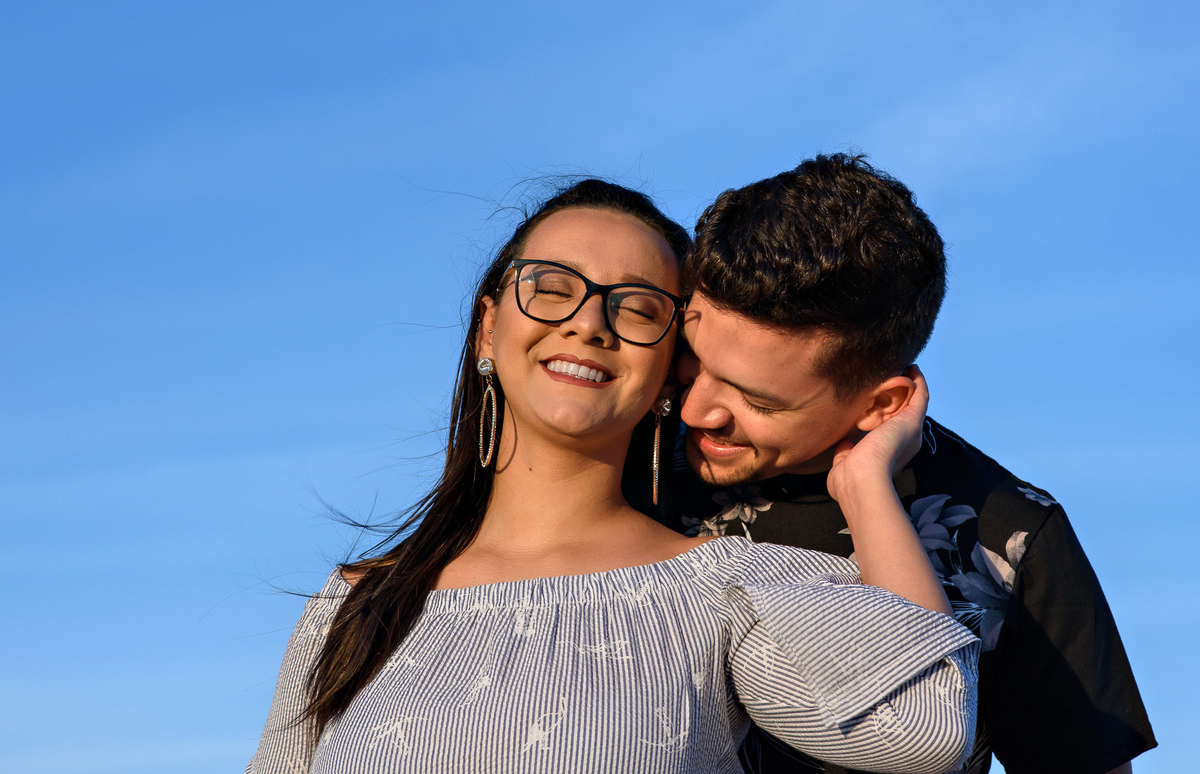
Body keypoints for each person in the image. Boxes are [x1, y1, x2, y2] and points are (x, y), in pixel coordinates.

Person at [246, 179, 979, 773]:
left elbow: (926, 725)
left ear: (670, 372)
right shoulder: (353, 606)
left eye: (636, 307)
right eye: (553, 287)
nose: (588, 323)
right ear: (487, 330)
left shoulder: (722, 589)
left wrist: (866, 480)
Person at [671, 154, 1156, 774]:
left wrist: (864, 487)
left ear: (885, 404)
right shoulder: (621, 451)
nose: (696, 410)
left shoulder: (1009, 535)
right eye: (693, 359)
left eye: (759, 401)